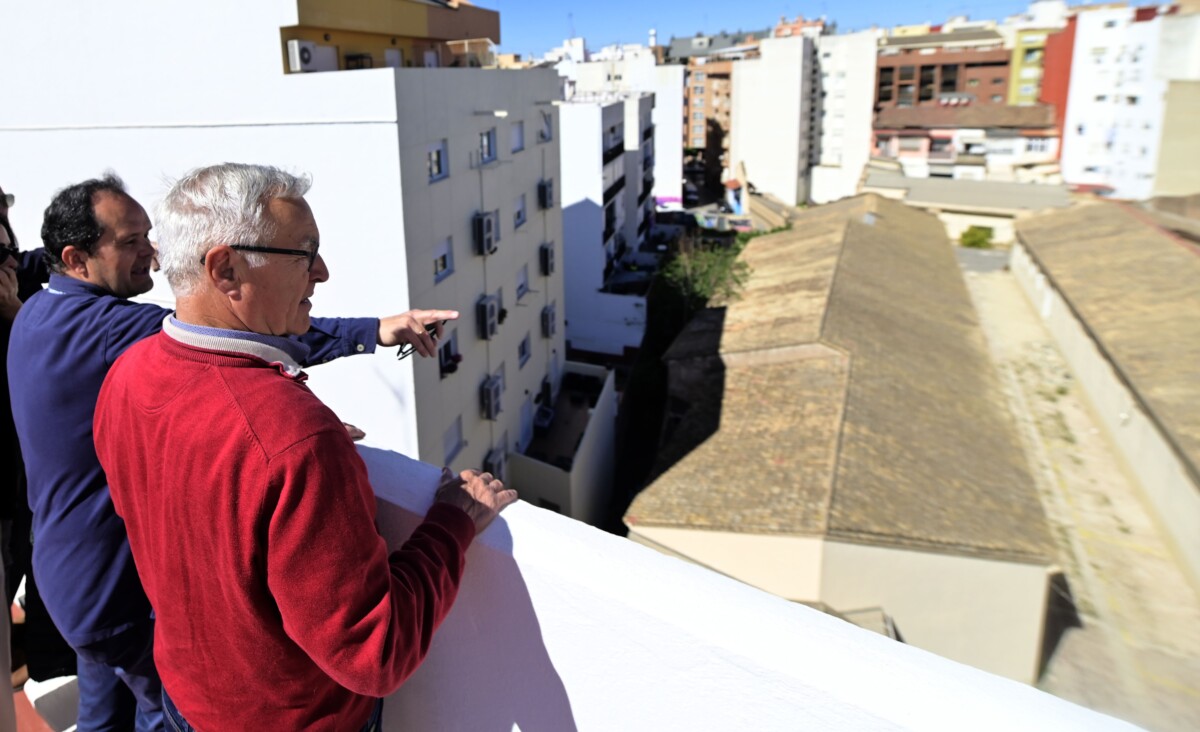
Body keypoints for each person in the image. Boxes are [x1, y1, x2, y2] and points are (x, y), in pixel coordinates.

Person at [7, 171, 459, 731]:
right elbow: (373, 653)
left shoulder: (89, 349)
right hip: (133, 612)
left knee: (105, 718)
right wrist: (453, 522)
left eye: (149, 238)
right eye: (304, 253)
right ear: (222, 269)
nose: (321, 272)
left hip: (84, 592)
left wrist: (266, 448)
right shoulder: (283, 432)